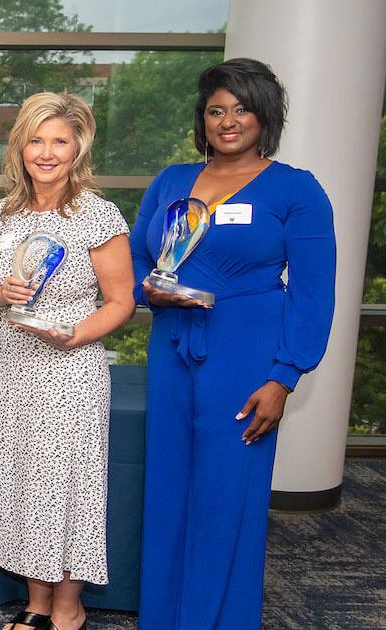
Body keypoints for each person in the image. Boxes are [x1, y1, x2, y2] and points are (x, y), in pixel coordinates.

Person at [132, 58, 336, 629]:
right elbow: (136, 260)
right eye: (217, 109)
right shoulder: (172, 180)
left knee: (228, 498)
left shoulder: (295, 189)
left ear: (264, 116)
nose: (228, 120)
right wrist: (152, 293)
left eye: (242, 109)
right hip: (173, 350)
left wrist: (284, 377)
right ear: (203, 119)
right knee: (168, 489)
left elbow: (314, 295)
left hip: (245, 356)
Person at [0, 92, 134, 630]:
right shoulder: (1, 214)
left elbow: (122, 301)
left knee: (65, 485)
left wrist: (77, 333)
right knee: (23, 483)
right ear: (20, 147)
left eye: (59, 141)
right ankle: (38, 604)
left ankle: (68, 609)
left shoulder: (97, 214)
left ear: (77, 148)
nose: (46, 152)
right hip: (11, 365)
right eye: (36, 140)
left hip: (70, 370)